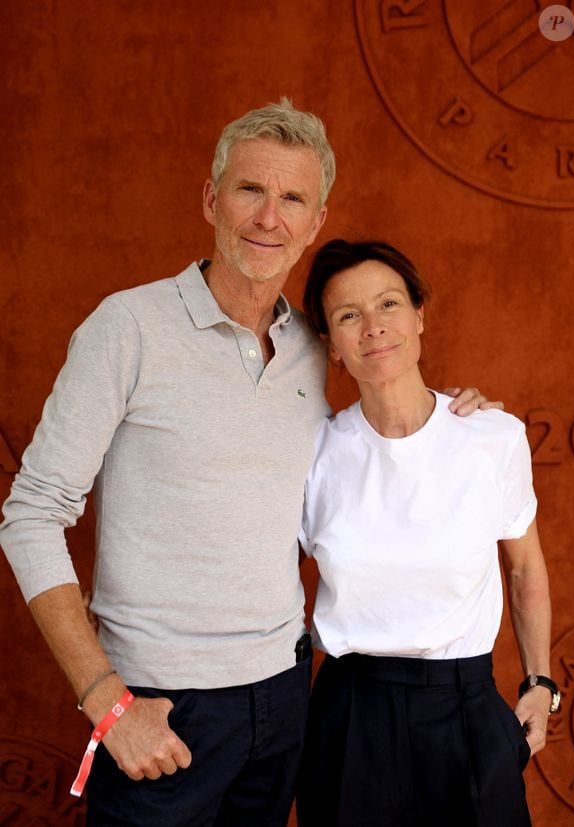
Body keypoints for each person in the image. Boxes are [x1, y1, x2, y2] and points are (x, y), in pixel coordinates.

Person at [0, 101, 498, 827]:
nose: (270, 217)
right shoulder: (128, 327)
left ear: (315, 220)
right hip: (162, 705)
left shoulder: (312, 344)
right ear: (211, 199)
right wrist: (106, 698)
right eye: (249, 190)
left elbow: (382, 423)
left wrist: (458, 416)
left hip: (286, 696)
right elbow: (32, 513)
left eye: (292, 197)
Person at [296, 238, 557, 827]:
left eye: (388, 304)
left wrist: (540, 681)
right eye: (348, 316)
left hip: (463, 705)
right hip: (350, 713)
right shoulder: (313, 453)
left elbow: (524, 568)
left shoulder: (492, 438)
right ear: (332, 347)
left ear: (419, 315)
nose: (373, 328)